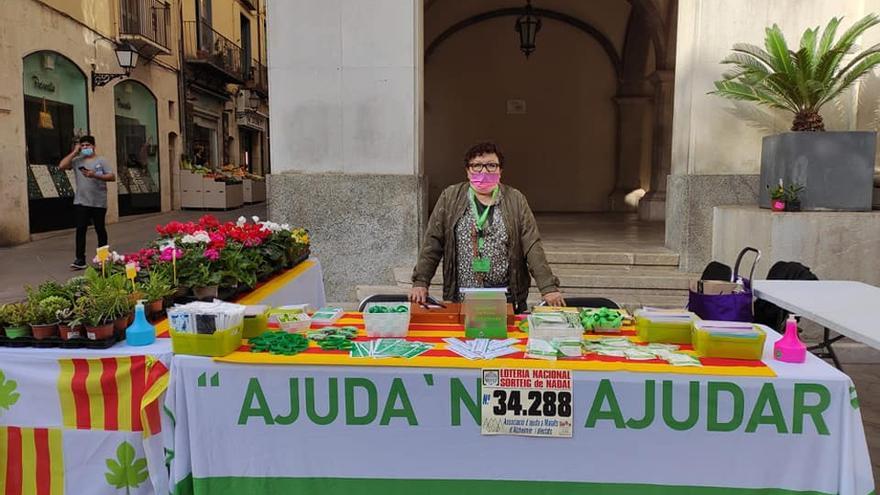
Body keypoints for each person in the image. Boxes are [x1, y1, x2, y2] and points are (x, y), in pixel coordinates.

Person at [410, 142, 565, 312]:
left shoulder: (515, 199)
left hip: (505, 294)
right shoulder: (450, 197)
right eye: (477, 166)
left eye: (491, 165)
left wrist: (548, 287)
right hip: (463, 294)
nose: (484, 171)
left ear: (500, 170)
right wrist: (421, 281)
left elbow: (532, 245)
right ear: (467, 170)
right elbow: (433, 242)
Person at [58, 135, 116, 270]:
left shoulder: (102, 160)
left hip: (98, 202)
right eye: (82, 146)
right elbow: (62, 166)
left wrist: (94, 175)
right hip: (81, 201)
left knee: (100, 229)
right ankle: (80, 259)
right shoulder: (77, 161)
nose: (85, 148)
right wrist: (74, 152)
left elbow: (112, 176)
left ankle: (103, 257)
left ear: (93, 146)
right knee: (80, 230)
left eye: (87, 145)